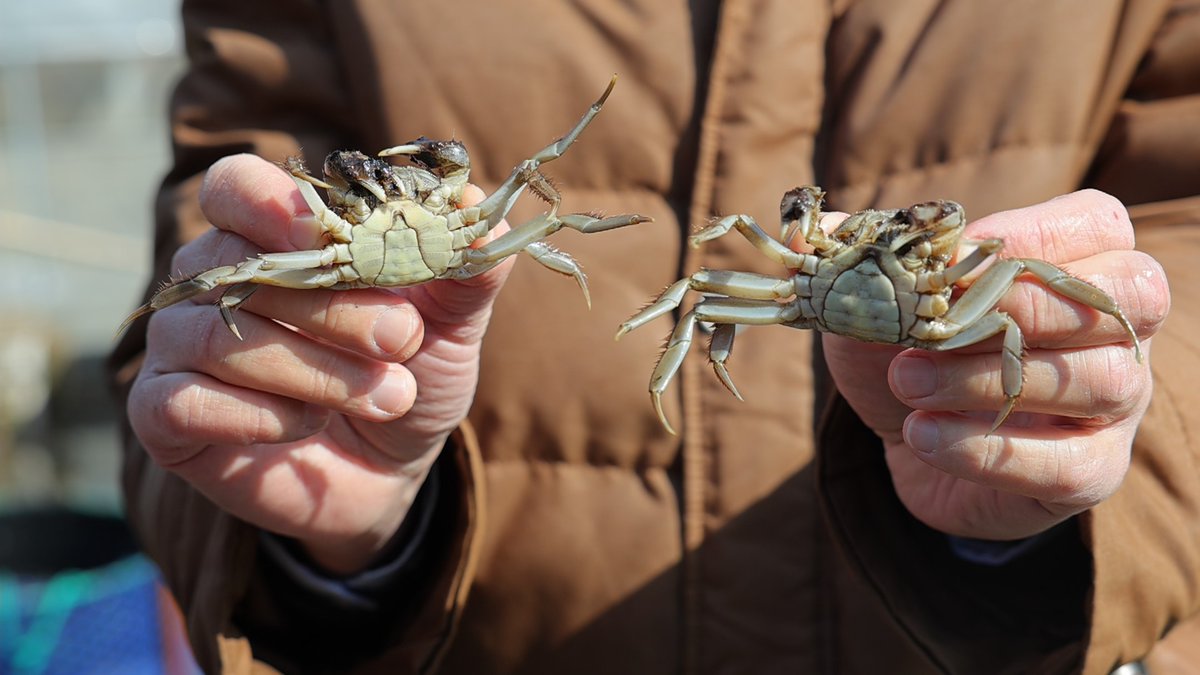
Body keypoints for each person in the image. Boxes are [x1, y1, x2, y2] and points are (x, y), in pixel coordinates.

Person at [107, 1, 1199, 673]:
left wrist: (1084, 458)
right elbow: (211, 251)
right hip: (475, 640)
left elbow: (1175, 245)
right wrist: (331, 547)